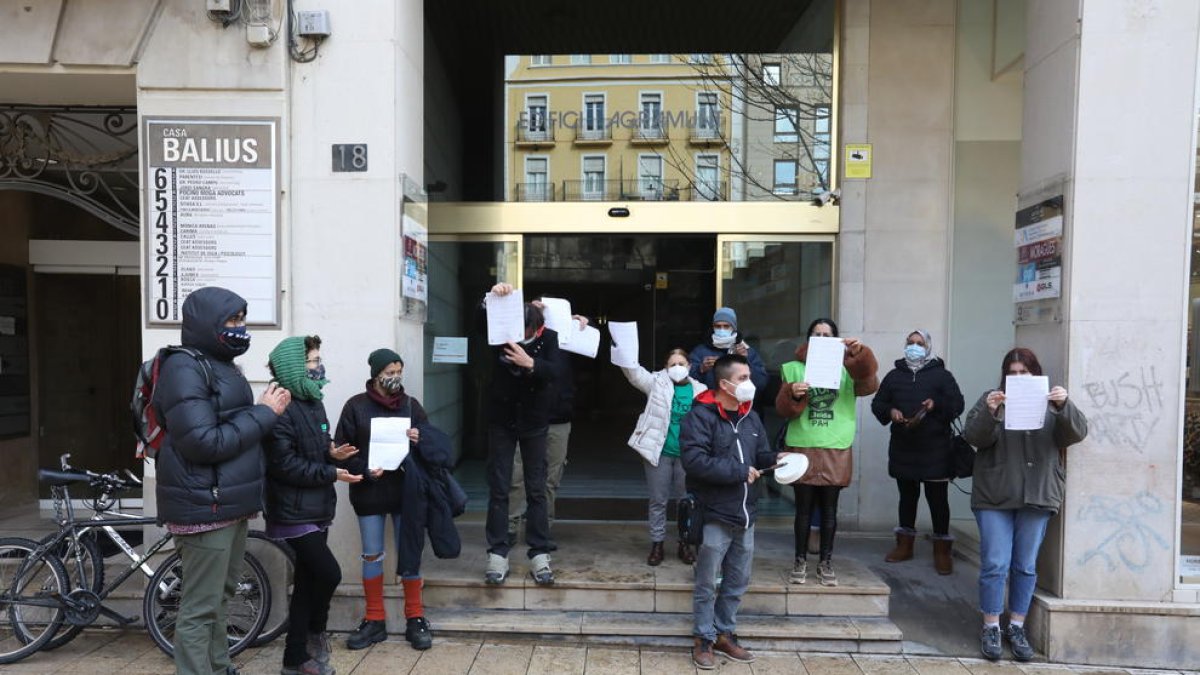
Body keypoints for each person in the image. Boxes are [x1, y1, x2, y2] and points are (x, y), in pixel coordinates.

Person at [152, 286, 290, 675]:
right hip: (203, 507)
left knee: (220, 598)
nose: (240, 329)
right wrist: (264, 414)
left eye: (242, 320)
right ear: (207, 324)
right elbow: (203, 442)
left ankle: (219, 666)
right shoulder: (185, 368)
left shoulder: (221, 365)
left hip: (228, 504)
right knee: (200, 606)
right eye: (232, 321)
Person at [963, 347, 1087, 662]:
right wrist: (991, 412)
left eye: (1024, 371)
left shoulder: (1052, 403)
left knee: (1025, 564)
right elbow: (973, 437)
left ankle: (1016, 625)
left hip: (1038, 494)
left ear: (1035, 373)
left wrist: (1064, 405)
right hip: (995, 495)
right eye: (1013, 372)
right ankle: (991, 625)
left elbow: (1076, 433)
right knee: (995, 562)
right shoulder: (993, 398)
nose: (1018, 377)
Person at [263, 336, 361, 675]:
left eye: (319, 359)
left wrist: (331, 452)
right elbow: (283, 465)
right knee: (328, 573)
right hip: (292, 509)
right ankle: (316, 634)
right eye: (312, 361)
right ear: (294, 368)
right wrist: (331, 471)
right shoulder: (279, 407)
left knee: (308, 581)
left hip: (317, 507)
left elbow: (315, 445)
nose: (319, 367)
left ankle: (294, 659)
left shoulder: (313, 400)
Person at [681, 354, 781, 669]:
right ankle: (703, 639)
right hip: (714, 514)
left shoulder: (751, 417)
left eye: (749, 377)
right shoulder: (701, 416)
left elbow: (761, 454)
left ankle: (725, 634)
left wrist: (780, 459)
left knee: (737, 581)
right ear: (724, 384)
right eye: (742, 378)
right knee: (708, 582)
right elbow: (694, 461)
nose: (749, 384)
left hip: (746, 515)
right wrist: (739, 471)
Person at [333, 349, 433, 651]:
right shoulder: (356, 406)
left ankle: (415, 617)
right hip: (370, 490)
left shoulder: (411, 406)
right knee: (372, 554)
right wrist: (364, 468)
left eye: (399, 371)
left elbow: (431, 445)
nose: (395, 377)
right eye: (389, 372)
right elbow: (342, 449)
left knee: (410, 553)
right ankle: (374, 619)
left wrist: (420, 438)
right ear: (376, 374)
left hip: (406, 491)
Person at [775, 318, 877, 587]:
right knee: (803, 511)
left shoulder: (849, 371)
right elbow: (782, 409)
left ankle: (825, 562)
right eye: (816, 334)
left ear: (837, 339)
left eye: (827, 334)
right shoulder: (794, 369)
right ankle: (799, 561)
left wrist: (859, 356)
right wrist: (792, 394)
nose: (821, 338)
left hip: (835, 445)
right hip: (803, 444)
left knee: (830, 511)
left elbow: (869, 385)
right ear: (808, 339)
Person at [483, 283, 559, 585]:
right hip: (501, 419)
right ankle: (497, 553)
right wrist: (490, 297)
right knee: (499, 486)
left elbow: (558, 371)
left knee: (536, 487)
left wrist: (532, 364)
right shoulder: (500, 336)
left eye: (528, 330)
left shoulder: (549, 338)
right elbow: (479, 321)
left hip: (535, 421)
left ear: (537, 328)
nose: (522, 336)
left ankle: (539, 553)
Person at [870, 329, 965, 574]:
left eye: (919, 343)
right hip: (904, 446)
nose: (914, 347)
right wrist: (891, 411)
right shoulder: (894, 376)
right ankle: (904, 545)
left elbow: (957, 404)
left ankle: (942, 550)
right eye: (910, 343)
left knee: (937, 500)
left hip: (936, 448)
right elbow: (878, 403)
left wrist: (936, 405)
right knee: (907, 498)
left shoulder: (941, 375)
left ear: (928, 347)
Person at [619, 348, 708, 565]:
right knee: (658, 501)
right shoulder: (656, 383)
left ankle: (684, 543)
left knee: (685, 502)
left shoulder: (700, 390)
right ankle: (657, 544)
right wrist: (622, 348)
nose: (677, 368)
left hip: (688, 455)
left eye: (681, 363)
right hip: (659, 452)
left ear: (690, 366)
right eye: (672, 364)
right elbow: (634, 373)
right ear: (665, 368)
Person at [508, 300, 587, 543]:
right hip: (527, 418)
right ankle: (509, 527)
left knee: (551, 479)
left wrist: (583, 323)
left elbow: (591, 348)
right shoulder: (524, 337)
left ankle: (542, 529)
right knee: (517, 475)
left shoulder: (566, 338)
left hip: (559, 418)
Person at [688, 307, 768, 392]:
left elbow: (761, 383)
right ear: (713, 327)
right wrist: (701, 369)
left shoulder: (746, 351)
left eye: (726, 326)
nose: (722, 330)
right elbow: (686, 382)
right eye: (718, 326)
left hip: (740, 402)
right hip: (710, 402)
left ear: (733, 328)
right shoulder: (700, 351)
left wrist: (745, 361)